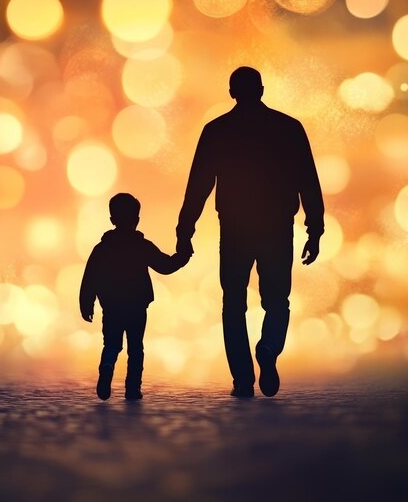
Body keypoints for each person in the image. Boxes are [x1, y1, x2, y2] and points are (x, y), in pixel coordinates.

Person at [176, 66, 324, 398]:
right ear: (261, 89)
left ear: (232, 93)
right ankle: (270, 346)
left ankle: (242, 379)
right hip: (277, 227)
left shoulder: (217, 131)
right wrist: (315, 229)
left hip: (235, 228)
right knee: (277, 300)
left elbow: (198, 185)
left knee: (233, 304)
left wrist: (185, 230)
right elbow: (308, 181)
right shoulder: (288, 128)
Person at [80, 193, 190, 400]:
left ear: (112, 220)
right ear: (136, 220)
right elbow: (165, 266)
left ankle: (107, 365)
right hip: (136, 305)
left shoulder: (102, 249)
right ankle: (133, 388)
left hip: (111, 305)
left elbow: (90, 278)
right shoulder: (142, 246)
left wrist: (86, 303)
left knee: (111, 344)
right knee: (136, 347)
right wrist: (182, 257)